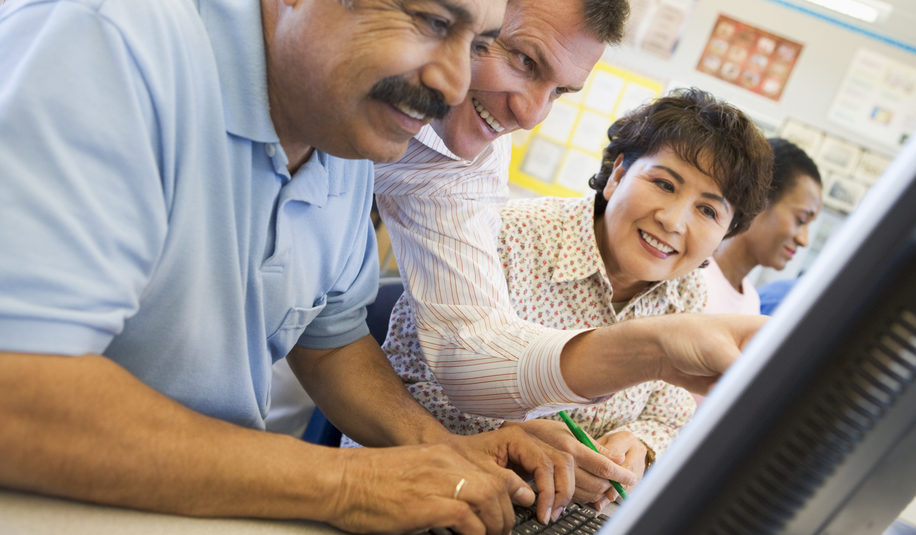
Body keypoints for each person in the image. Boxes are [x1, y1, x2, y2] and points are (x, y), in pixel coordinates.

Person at [0, 0, 584, 533]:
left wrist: (441, 449)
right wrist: (350, 485)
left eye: (478, 43)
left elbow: (329, 340)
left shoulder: (342, 123)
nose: (456, 85)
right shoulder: (110, 41)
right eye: (433, 23)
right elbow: (17, 392)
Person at [269, 0, 766, 506]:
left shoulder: (465, 151)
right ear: (617, 175)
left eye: (560, 92)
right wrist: (648, 350)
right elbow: (438, 367)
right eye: (523, 59)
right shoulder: (512, 230)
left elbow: (450, 347)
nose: (531, 116)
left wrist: (636, 423)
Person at [343, 90, 775, 514]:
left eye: (708, 211)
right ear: (619, 174)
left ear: (727, 234)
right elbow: (402, 388)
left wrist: (638, 445)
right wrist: (518, 437)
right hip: (420, 493)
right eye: (664, 184)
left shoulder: (687, 294)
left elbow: (670, 415)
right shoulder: (507, 237)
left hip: (552, 517)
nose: (673, 221)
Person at [703, 137, 823, 315]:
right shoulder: (690, 275)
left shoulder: (751, 305)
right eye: (800, 220)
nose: (804, 240)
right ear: (758, 199)